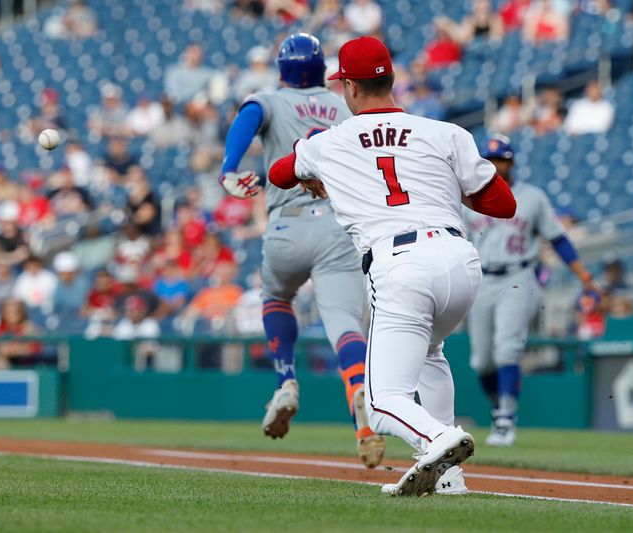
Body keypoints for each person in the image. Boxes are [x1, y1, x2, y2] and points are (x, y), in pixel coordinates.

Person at [267, 36, 517, 496]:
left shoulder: (330, 143)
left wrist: (317, 168)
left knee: (382, 403)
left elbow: (279, 174)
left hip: (401, 264)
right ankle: (449, 477)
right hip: (460, 262)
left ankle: (437, 439)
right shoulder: (446, 133)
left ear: (348, 88)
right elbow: (503, 203)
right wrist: (444, 187)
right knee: (430, 354)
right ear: (392, 80)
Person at [219, 33, 384, 468]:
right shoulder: (341, 104)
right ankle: (360, 404)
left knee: (276, 297)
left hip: (286, 225)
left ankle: (286, 380)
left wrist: (228, 169)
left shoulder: (269, 99)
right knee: (346, 326)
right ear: (322, 70)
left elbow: (248, 116)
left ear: (282, 70)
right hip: (337, 226)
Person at [462, 135, 595, 448]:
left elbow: (558, 238)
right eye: (491, 159)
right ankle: (499, 410)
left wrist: (582, 273)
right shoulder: (467, 198)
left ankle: (507, 420)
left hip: (518, 276)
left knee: (507, 349)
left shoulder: (531, 197)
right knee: (481, 361)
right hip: (481, 278)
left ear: (512, 162)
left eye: (502, 159)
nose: (497, 165)